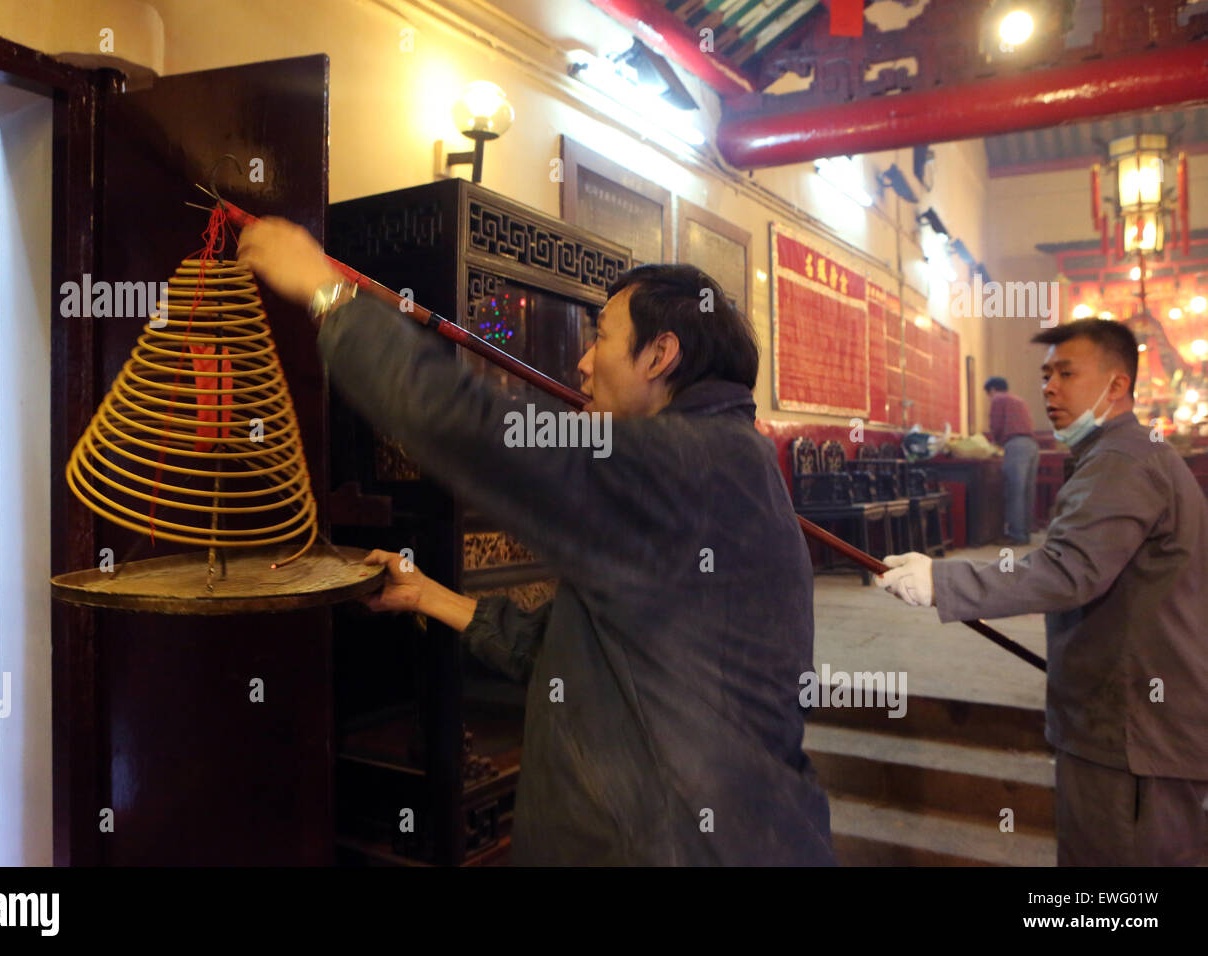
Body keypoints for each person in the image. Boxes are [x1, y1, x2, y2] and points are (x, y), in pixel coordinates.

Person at [236, 218, 835, 866]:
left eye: (600, 338)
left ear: (659, 355)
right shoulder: (724, 460)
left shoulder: (684, 464)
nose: (582, 364)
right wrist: (429, 596)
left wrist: (327, 295)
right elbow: (571, 654)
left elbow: (472, 427)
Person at [876, 319, 1208, 866]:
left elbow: (1068, 569)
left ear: (1117, 385)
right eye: (1046, 374)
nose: (1049, 387)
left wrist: (943, 580)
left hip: (1133, 732)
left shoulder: (1124, 460)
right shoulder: (1122, 452)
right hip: (1130, 713)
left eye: (1067, 373)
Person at [984, 376, 1040, 545]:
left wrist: (994, 444)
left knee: (1014, 492)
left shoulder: (998, 399)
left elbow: (996, 425)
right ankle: (1025, 533)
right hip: (1032, 445)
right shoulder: (1019, 400)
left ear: (992, 389)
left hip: (1015, 445)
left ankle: (1016, 536)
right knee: (1026, 492)